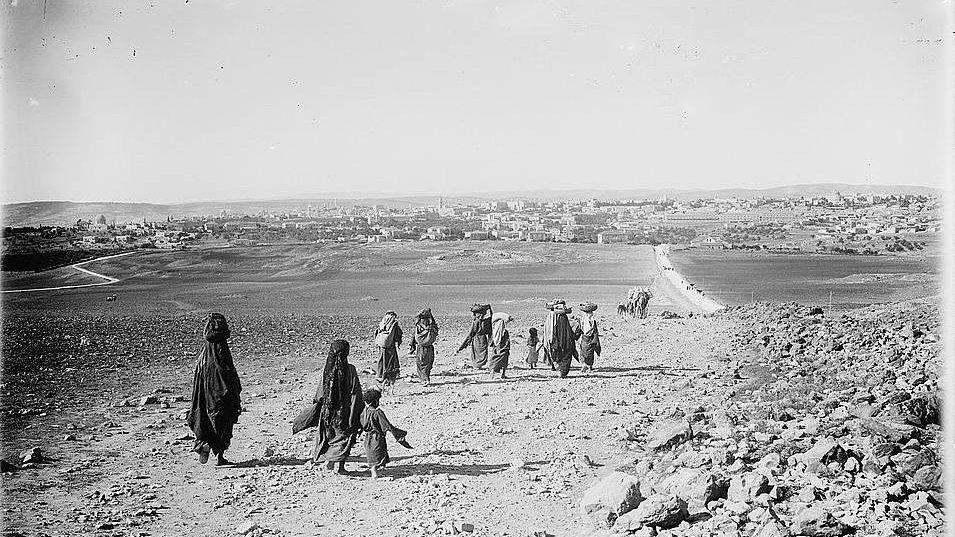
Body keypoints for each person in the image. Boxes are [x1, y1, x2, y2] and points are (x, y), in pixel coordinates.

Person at [188, 313, 243, 466]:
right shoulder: (222, 350)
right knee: (223, 419)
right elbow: (228, 374)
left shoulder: (204, 355)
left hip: (205, 394)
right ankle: (220, 456)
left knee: (204, 417)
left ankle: (204, 443)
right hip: (221, 393)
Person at [312, 339, 365, 473]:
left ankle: (329, 460)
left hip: (328, 412)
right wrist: (357, 411)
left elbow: (320, 394)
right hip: (345, 412)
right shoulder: (350, 370)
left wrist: (320, 406)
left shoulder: (327, 371)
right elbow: (355, 392)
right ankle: (340, 467)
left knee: (330, 436)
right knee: (344, 438)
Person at [359, 388, 410, 479]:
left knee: (371, 453)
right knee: (378, 452)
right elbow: (386, 425)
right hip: (377, 437)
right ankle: (374, 473)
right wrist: (398, 433)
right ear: (375, 401)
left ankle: (377, 469)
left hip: (367, 437)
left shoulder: (364, 412)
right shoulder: (377, 413)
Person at [545, 301, 579, 378]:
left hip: (557, 344)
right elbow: (572, 336)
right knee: (566, 358)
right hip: (567, 345)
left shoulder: (556, 325)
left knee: (558, 356)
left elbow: (554, 333)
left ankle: (559, 370)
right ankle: (563, 372)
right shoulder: (567, 326)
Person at [456, 304, 492, 369]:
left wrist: (463, 345)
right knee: (482, 352)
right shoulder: (486, 322)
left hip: (477, 338)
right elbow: (491, 318)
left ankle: (477, 365)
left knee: (476, 352)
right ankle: (480, 365)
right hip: (483, 338)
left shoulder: (476, 322)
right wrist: (490, 309)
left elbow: (472, 333)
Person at [409, 308, 439, 386]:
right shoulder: (432, 326)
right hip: (429, 347)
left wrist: (412, 346)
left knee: (421, 363)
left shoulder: (418, 326)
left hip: (421, 348)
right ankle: (426, 378)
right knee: (428, 363)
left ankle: (424, 379)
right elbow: (436, 331)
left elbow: (414, 336)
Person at [374, 311, 403, 386]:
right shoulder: (394, 324)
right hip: (390, 345)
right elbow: (397, 335)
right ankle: (388, 377)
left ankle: (380, 374)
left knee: (381, 359)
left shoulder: (382, 324)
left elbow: (376, 333)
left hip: (382, 345)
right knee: (390, 360)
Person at [576, 303, 601, 374]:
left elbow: (595, 331)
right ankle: (584, 365)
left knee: (589, 354)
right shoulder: (582, 321)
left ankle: (589, 366)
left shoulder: (592, 322)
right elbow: (579, 330)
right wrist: (576, 336)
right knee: (583, 353)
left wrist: (594, 340)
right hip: (584, 339)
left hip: (590, 339)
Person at [488, 312, 513, 379]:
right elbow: (507, 341)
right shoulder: (505, 332)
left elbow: (492, 341)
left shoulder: (495, 332)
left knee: (495, 360)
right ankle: (503, 374)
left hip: (496, 349)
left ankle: (492, 372)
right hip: (504, 350)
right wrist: (507, 348)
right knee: (504, 362)